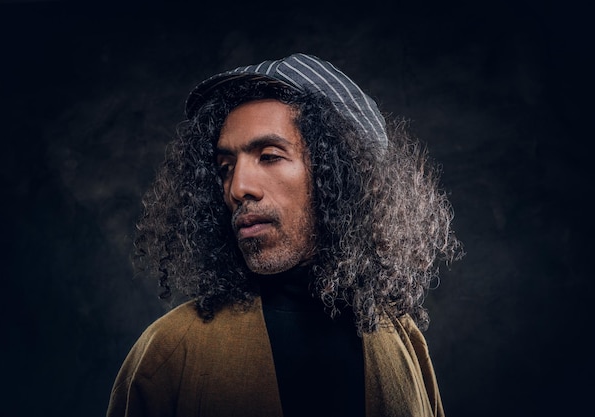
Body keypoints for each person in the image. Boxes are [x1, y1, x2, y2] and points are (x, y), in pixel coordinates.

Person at [106, 53, 462, 417]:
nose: (238, 187)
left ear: (340, 174)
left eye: (270, 156)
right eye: (225, 168)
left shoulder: (402, 339)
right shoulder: (169, 352)